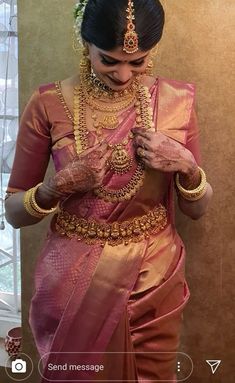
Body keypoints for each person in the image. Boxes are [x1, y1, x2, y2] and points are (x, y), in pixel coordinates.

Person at [5, 0, 213, 381]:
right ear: (84, 43)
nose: (123, 74)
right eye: (108, 60)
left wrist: (185, 165)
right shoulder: (48, 103)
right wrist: (53, 188)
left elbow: (197, 210)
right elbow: (13, 212)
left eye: (138, 62)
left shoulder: (176, 102)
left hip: (153, 278)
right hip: (73, 280)